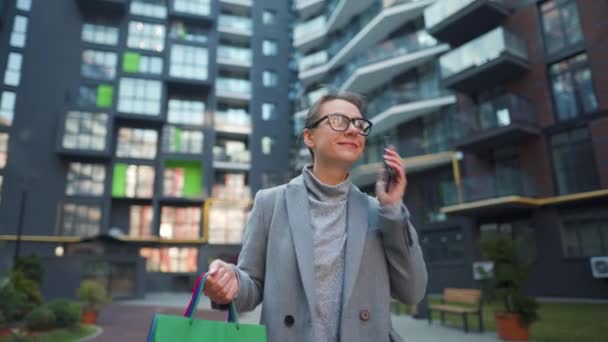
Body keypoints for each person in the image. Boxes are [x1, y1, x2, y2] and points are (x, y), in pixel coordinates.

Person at [204, 92, 427, 342]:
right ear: (309, 137)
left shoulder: (380, 212)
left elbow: (413, 291)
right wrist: (230, 283)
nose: (353, 130)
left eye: (359, 124)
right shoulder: (271, 203)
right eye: (339, 121)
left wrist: (394, 210)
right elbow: (252, 287)